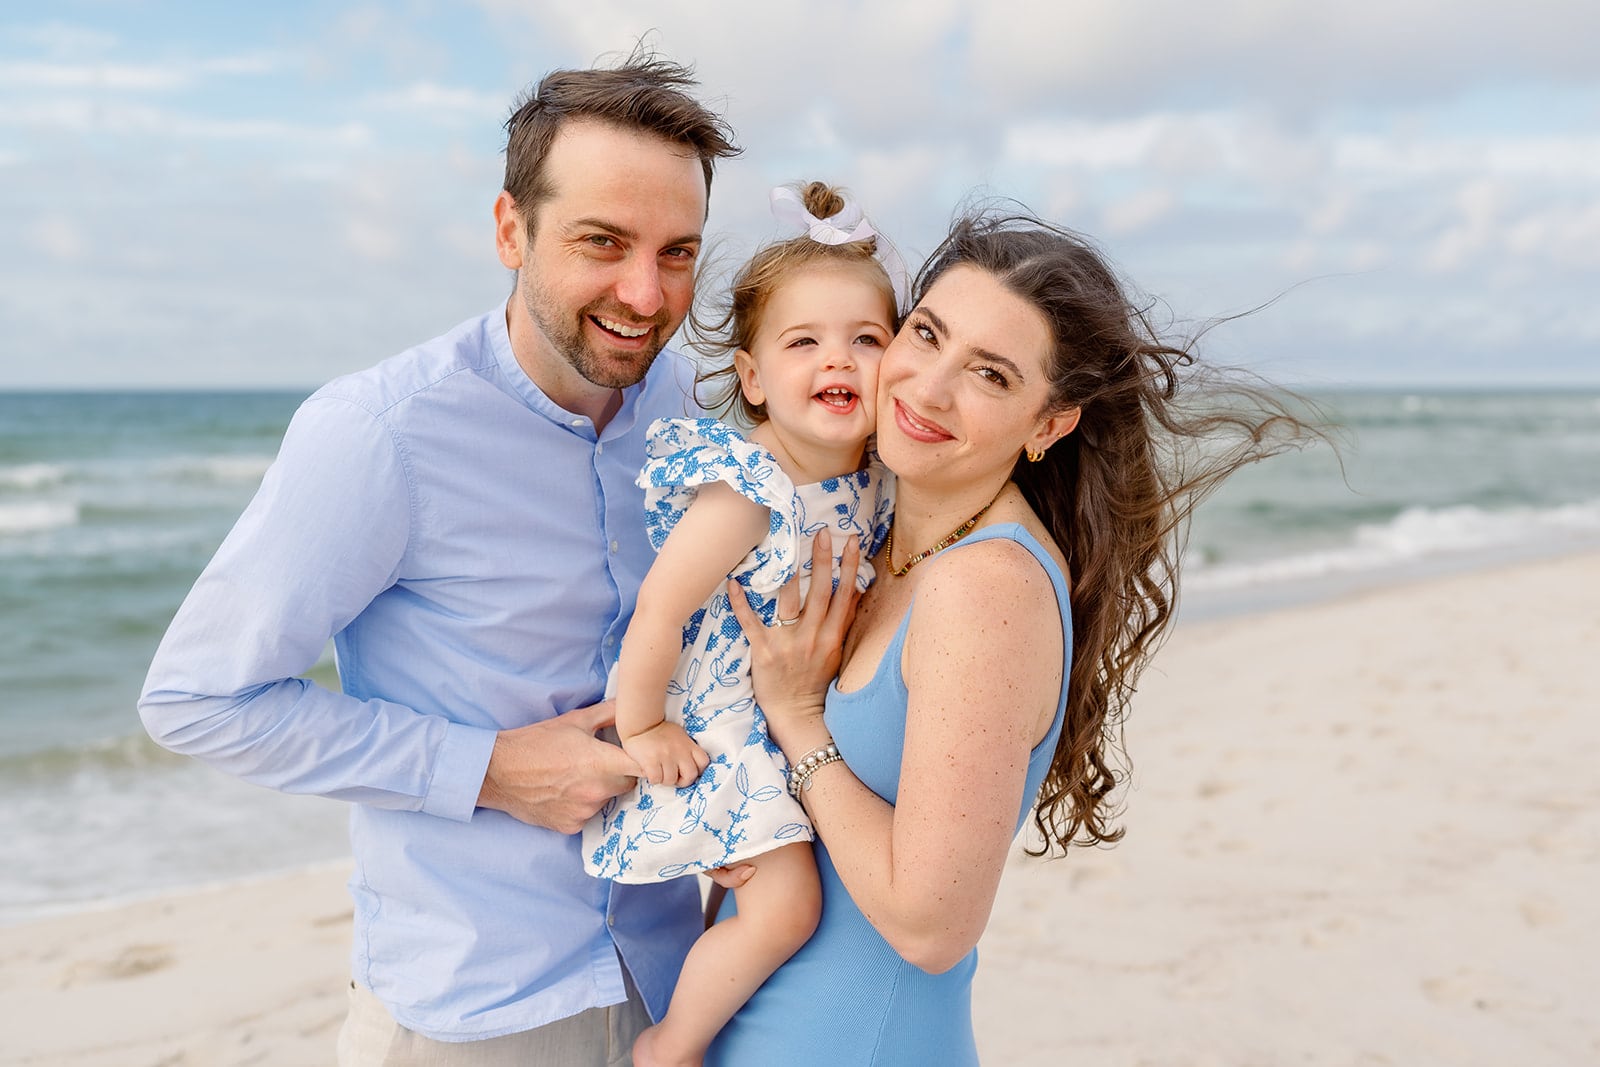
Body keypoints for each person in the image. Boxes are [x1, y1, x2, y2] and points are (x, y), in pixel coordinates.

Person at [138, 51, 741, 1063]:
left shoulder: (681, 406)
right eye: (603, 241)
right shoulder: (379, 432)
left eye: (677, 251)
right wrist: (489, 770)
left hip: (674, 980)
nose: (645, 292)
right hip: (478, 1014)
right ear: (511, 229)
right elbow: (197, 699)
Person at [704, 209, 1321, 1065]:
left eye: (990, 375)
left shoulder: (984, 589)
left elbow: (930, 925)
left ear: (1048, 424)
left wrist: (800, 721)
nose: (927, 387)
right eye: (926, 334)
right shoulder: (878, 535)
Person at [580, 181, 899, 1066]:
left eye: (865, 340)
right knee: (788, 902)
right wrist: (644, 723)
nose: (836, 360)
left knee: (778, 889)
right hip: (721, 725)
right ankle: (673, 1044)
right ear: (754, 377)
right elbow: (661, 605)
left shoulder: (875, 480)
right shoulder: (748, 491)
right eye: (803, 343)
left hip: (790, 717)